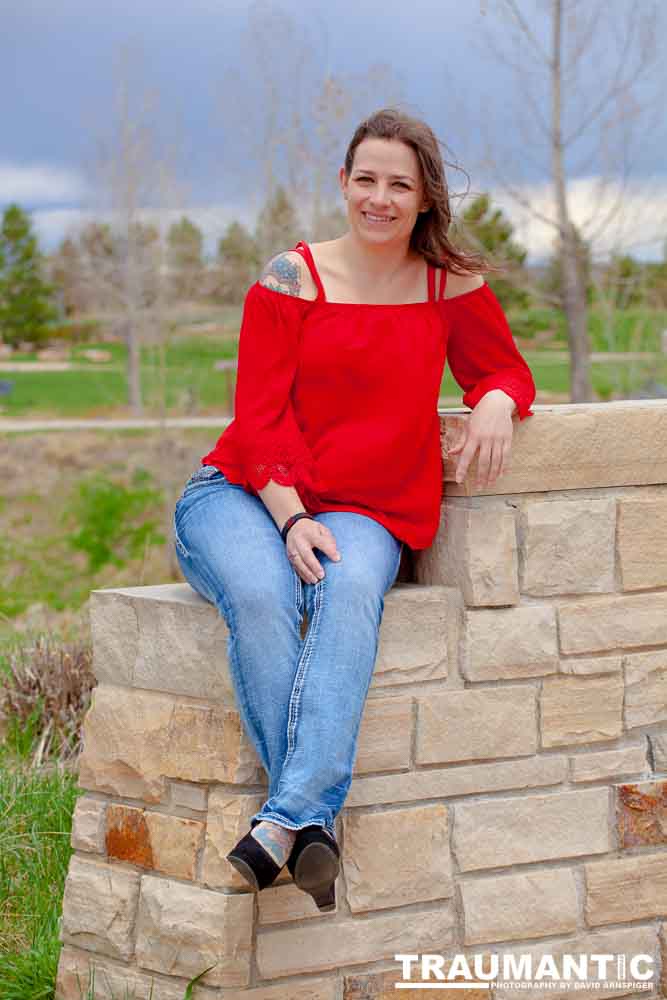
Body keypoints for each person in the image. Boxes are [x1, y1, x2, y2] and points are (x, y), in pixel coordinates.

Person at [172, 107, 536, 912]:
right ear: (342, 183)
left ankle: (287, 823)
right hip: (246, 491)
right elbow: (258, 416)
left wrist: (495, 405)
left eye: (398, 184)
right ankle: (312, 823)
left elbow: (503, 371)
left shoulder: (450, 285)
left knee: (344, 594)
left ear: (424, 197)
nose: (379, 197)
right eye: (364, 179)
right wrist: (291, 516)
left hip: (369, 507)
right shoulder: (288, 277)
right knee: (265, 596)